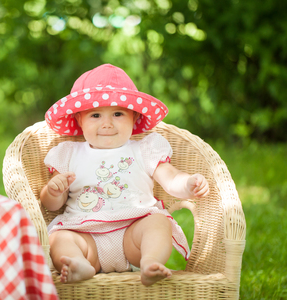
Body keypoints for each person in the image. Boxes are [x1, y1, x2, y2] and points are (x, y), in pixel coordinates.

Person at [40, 64, 209, 286]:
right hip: (85, 233)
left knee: (158, 222)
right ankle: (78, 264)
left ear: (134, 117)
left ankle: (150, 263)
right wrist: (53, 190)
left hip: (133, 233)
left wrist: (187, 183)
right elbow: (51, 205)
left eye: (118, 114)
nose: (107, 123)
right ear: (80, 120)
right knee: (59, 238)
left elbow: (170, 177)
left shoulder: (144, 149)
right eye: (96, 115)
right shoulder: (69, 153)